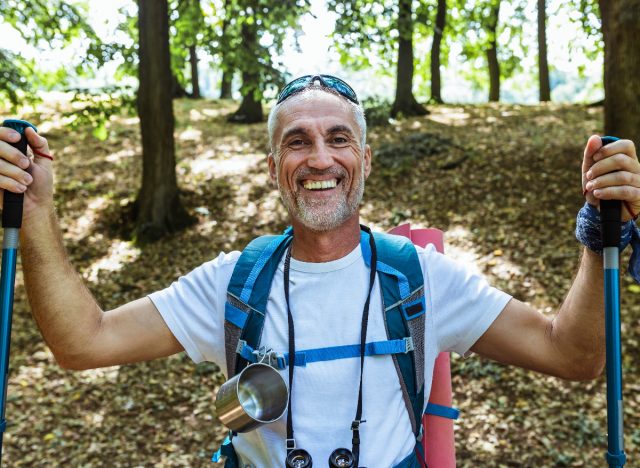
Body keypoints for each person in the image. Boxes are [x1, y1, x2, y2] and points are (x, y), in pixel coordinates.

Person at [0, 74, 639, 467]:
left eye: (337, 139)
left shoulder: (420, 277)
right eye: (297, 141)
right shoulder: (233, 282)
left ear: (364, 158)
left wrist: (596, 236)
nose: (319, 157)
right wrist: (35, 211)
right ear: (273, 165)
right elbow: (83, 342)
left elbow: (574, 356)